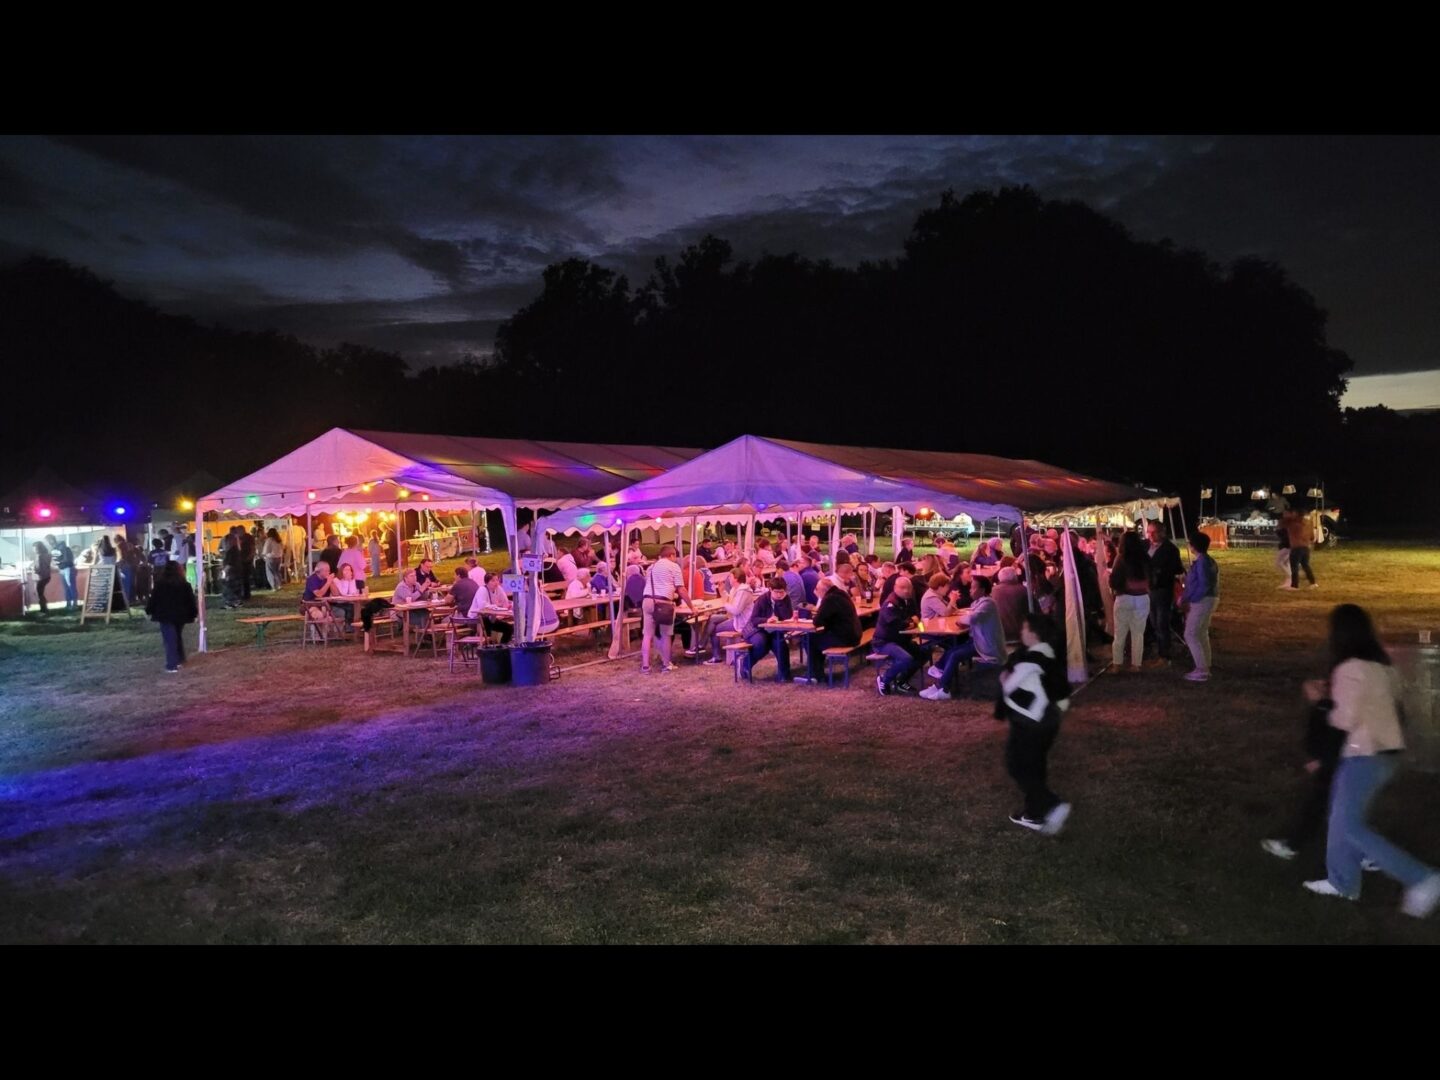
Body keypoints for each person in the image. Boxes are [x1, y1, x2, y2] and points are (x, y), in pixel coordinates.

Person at [1300, 605, 1440, 918]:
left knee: (1350, 826)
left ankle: (1422, 877)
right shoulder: (1384, 667)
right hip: (1388, 754)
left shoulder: (1349, 668)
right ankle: (1342, 881)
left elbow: (1344, 719)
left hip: (1363, 754)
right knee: (1341, 819)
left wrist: (1321, 702)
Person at [997, 611, 1072, 835]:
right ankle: (1034, 812)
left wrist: (1004, 678)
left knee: (1016, 764)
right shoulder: (1050, 656)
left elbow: (1009, 686)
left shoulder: (1030, 660)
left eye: (1024, 628)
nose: (1021, 632)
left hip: (1029, 723)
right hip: (1048, 722)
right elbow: (1063, 694)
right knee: (1034, 765)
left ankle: (1052, 805)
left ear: (1033, 634)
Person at [922, 574, 1006, 701]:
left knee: (955, 655)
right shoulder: (979, 602)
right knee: (951, 651)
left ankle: (944, 688)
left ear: (982, 590)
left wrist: (960, 620)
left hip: (986, 645)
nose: (970, 590)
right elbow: (966, 615)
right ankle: (939, 682)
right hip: (977, 641)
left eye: (973, 588)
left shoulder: (988, 603)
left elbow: (971, 618)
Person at [640, 543, 693, 674]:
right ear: (671, 555)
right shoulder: (674, 567)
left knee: (647, 634)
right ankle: (666, 664)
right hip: (663, 603)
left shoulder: (651, 567)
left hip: (647, 600)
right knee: (666, 634)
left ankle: (645, 666)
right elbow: (681, 589)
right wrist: (691, 607)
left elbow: (653, 585)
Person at [873, 574, 923, 696]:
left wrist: (914, 623)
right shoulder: (890, 603)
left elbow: (918, 617)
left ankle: (901, 681)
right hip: (884, 642)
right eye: (902, 587)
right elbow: (898, 625)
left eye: (908, 588)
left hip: (902, 640)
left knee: (923, 654)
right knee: (906, 658)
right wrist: (912, 622)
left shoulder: (909, 601)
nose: (906, 591)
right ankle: (884, 679)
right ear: (895, 588)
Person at [1109, 532, 1150, 674]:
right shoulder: (1145, 558)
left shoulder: (1121, 558)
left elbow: (1114, 579)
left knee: (1119, 633)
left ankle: (1117, 664)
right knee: (1138, 633)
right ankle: (1136, 664)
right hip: (1142, 597)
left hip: (1124, 597)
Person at [806, 574, 861, 681]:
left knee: (811, 639)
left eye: (816, 589)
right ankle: (817, 671)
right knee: (817, 638)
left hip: (845, 638)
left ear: (822, 590)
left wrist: (819, 602)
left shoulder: (829, 599)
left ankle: (815, 674)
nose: (815, 591)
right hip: (854, 634)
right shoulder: (842, 594)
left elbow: (817, 621)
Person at [1180, 532, 1219, 682]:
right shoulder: (1207, 561)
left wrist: (1190, 598)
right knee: (1201, 632)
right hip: (1208, 598)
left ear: (1193, 546)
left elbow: (1203, 584)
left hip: (1202, 600)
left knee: (1190, 633)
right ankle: (1205, 664)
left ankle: (1201, 669)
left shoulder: (1202, 562)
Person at [146, 561, 198, 673]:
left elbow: (153, 599)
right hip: (180, 615)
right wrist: (193, 614)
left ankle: (172, 664)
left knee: (170, 639)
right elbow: (190, 601)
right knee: (177, 636)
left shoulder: (160, 585)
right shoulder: (185, 585)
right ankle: (179, 659)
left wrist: (149, 610)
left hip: (165, 615)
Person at [1144, 522, 1183, 666]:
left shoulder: (1170, 549)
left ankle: (1164, 655)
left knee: (1161, 622)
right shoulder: (1146, 546)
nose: (1150, 535)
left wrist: (1159, 572)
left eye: (1153, 532)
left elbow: (1177, 568)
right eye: (1148, 532)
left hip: (1162, 590)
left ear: (1162, 532)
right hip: (1148, 589)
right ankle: (1159, 649)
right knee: (1153, 621)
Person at [745, 576, 797, 681]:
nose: (779, 595)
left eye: (781, 592)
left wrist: (780, 603)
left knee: (780, 643)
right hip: (757, 629)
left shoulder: (785, 599)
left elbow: (787, 616)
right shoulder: (762, 599)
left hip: (775, 630)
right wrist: (767, 620)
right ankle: (745, 664)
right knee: (761, 643)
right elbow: (754, 619)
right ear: (770, 590)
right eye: (776, 592)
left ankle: (784, 675)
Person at [703, 569, 757, 663]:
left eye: (730, 577)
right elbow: (729, 601)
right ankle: (702, 645)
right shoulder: (734, 589)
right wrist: (722, 591)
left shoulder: (743, 591)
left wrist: (724, 603)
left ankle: (715, 656)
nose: (729, 579)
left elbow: (735, 610)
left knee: (714, 629)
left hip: (742, 622)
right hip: (735, 618)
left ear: (736, 578)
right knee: (712, 619)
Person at [1282, 510, 1318, 590]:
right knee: (1306, 565)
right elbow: (1312, 537)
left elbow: (1283, 524)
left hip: (1296, 547)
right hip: (1306, 547)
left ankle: (1294, 586)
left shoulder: (1292, 523)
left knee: (1294, 567)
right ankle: (1313, 583)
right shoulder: (1309, 523)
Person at [992, 565, 1029, 644]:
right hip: (1019, 634)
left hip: (1000, 634)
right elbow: (1034, 609)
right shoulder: (1022, 590)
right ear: (1014, 577)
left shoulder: (994, 591)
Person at [331, 563, 367, 635]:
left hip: (348, 602)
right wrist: (346, 581)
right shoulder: (336, 580)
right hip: (338, 603)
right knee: (351, 608)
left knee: (356, 606)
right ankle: (350, 627)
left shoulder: (352, 580)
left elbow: (353, 593)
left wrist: (350, 581)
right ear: (341, 571)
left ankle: (354, 627)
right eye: (345, 570)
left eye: (349, 570)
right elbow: (343, 593)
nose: (348, 572)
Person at [31, 541, 51, 614]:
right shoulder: (48, 555)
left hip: (40, 577)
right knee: (40, 593)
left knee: (39, 593)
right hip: (47, 576)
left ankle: (43, 609)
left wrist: (33, 569)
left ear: (37, 548)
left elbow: (38, 568)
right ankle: (44, 608)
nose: (33, 550)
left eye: (34, 548)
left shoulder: (39, 556)